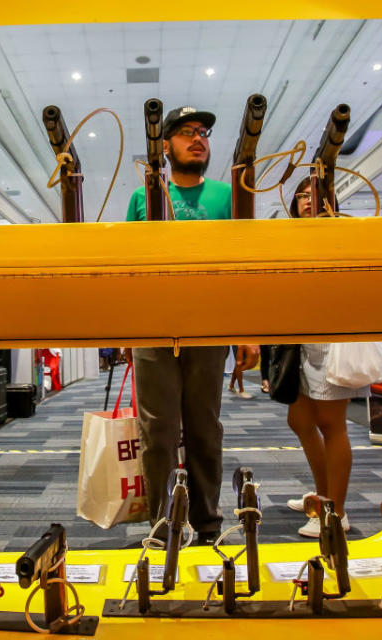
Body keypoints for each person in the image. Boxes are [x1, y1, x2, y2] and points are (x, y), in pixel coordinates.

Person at [126, 106, 259, 544]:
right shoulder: (144, 197)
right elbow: (130, 271)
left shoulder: (225, 197)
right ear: (165, 146)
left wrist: (246, 330)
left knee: (205, 429)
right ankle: (163, 526)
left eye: (203, 132)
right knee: (157, 433)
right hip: (152, 330)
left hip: (209, 331)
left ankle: (207, 523)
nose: (198, 138)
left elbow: (243, 267)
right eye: (186, 132)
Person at [284, 177, 369, 537]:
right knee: (300, 420)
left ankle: (336, 512)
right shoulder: (291, 238)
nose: (307, 201)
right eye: (301, 196)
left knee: (331, 424)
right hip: (299, 340)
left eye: (315, 195)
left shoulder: (343, 233)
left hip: (331, 339)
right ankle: (323, 496)